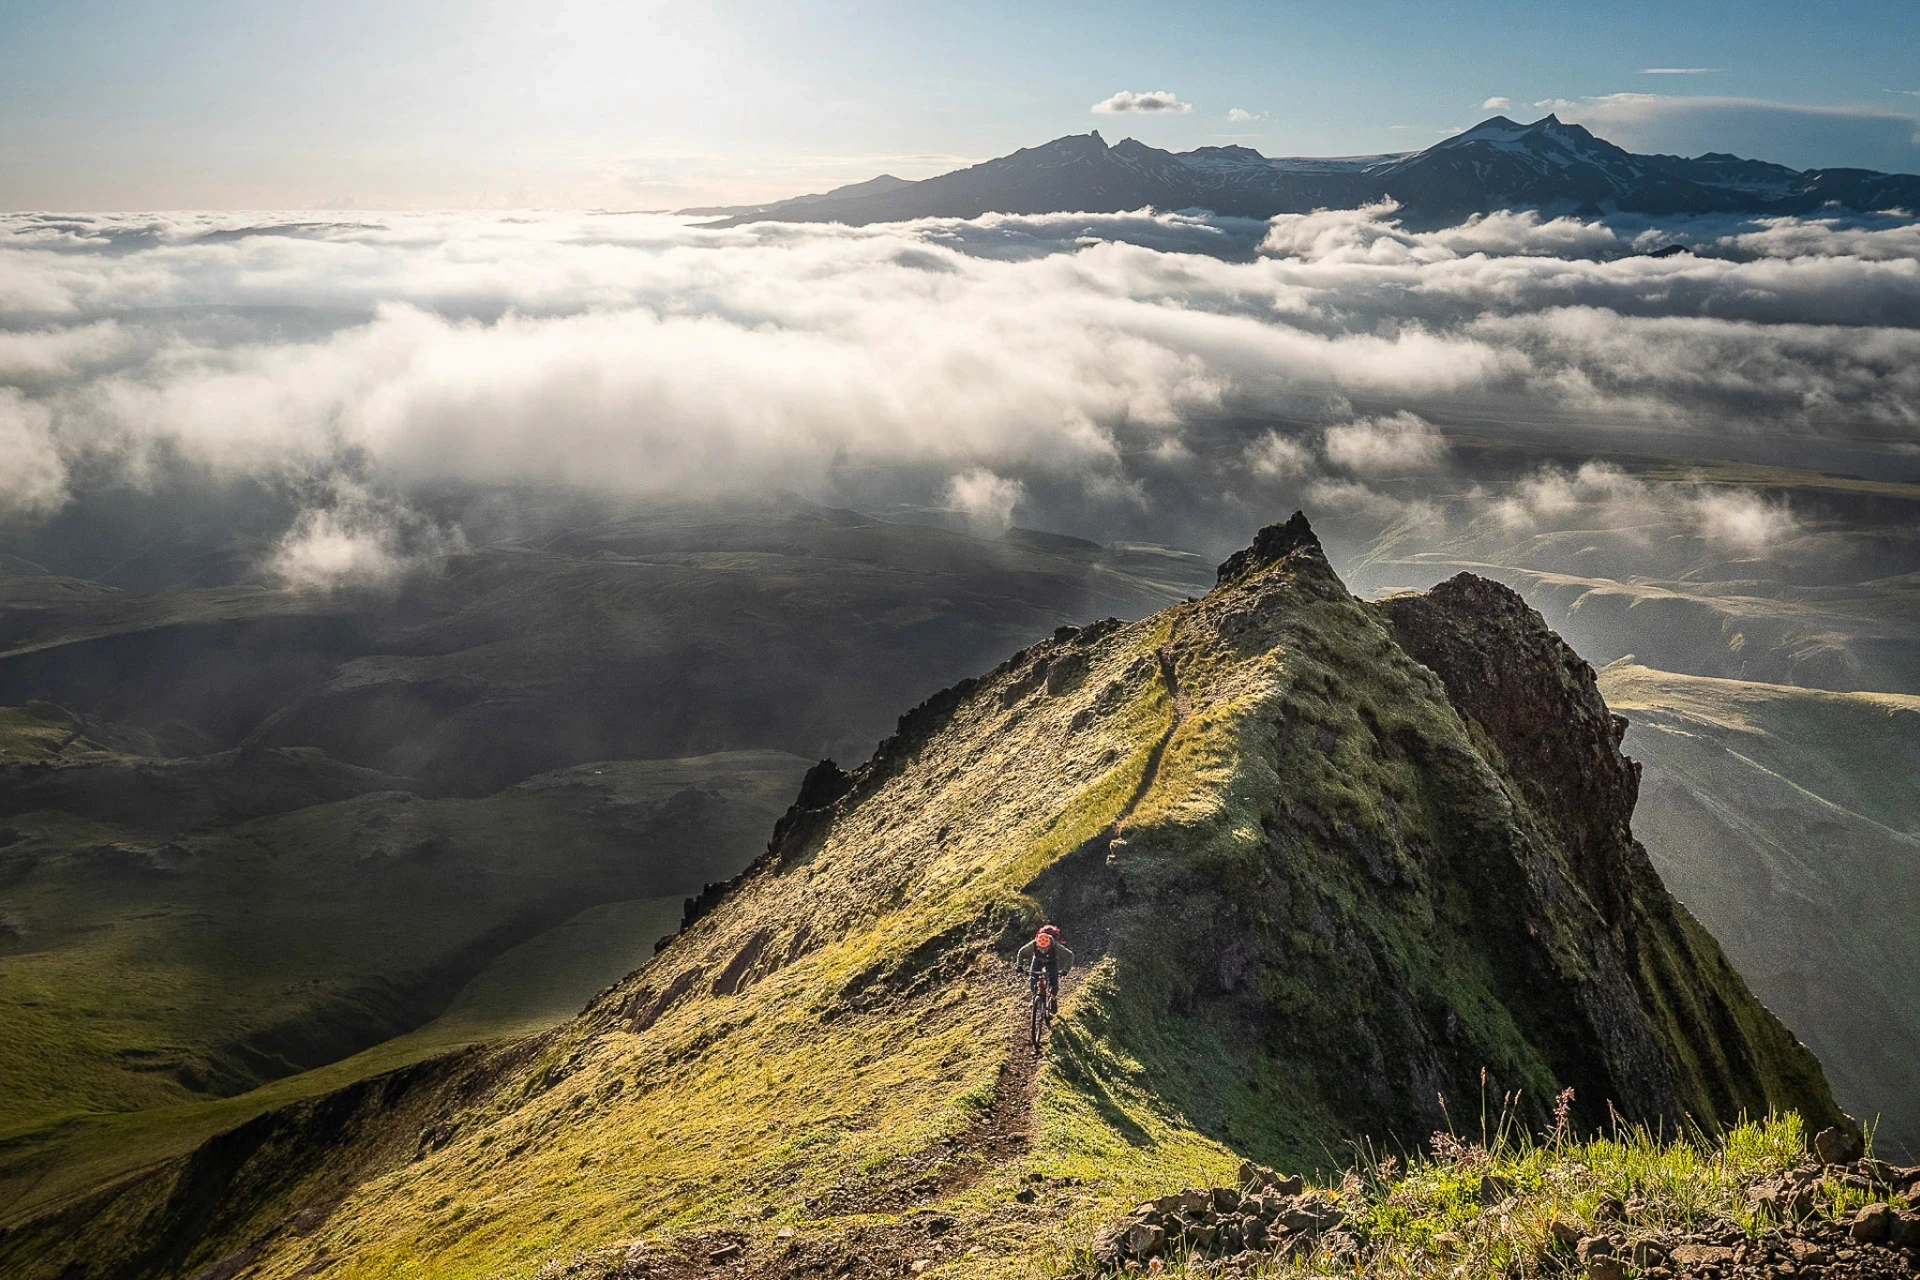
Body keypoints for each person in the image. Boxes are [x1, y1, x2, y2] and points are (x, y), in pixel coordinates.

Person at [1014, 924, 1073, 1014]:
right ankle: (1035, 997)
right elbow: (1021, 952)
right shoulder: (1033, 944)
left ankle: (1053, 999)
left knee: (1054, 986)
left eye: (1045, 948)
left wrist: (1066, 969)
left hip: (1051, 962)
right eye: (1040, 948)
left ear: (1049, 945)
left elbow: (1070, 955)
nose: (1042, 951)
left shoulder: (1056, 946)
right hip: (1037, 960)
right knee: (1032, 983)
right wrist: (1019, 966)